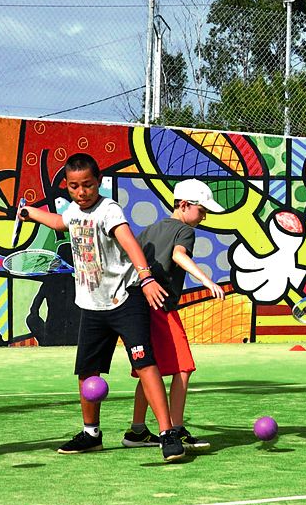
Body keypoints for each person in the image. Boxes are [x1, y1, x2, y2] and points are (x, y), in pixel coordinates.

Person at [18, 153, 186, 462]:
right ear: (66, 186)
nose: (82, 192)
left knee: (145, 363)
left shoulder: (109, 210)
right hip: (92, 305)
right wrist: (29, 212)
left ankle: (167, 434)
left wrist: (146, 277)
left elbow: (129, 242)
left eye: (88, 185)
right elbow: (58, 222)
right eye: (74, 186)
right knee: (86, 371)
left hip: (126, 298)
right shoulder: (73, 210)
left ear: (99, 182)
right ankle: (91, 434)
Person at [121, 179, 227, 450]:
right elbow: (179, 255)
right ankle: (175, 430)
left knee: (149, 370)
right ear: (184, 205)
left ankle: (137, 430)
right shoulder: (185, 231)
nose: (204, 217)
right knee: (183, 367)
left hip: (140, 306)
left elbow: (132, 264)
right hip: (161, 308)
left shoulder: (149, 230)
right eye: (202, 211)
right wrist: (207, 280)